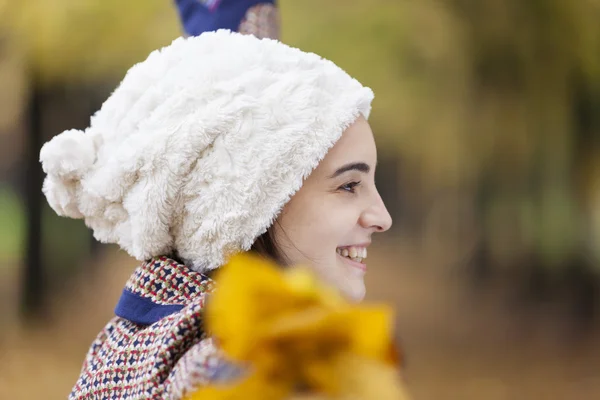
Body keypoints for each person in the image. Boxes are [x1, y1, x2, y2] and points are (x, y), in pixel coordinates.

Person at [40, 29, 392, 399]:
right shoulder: (248, 368)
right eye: (349, 185)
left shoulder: (130, 343)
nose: (382, 217)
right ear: (251, 203)